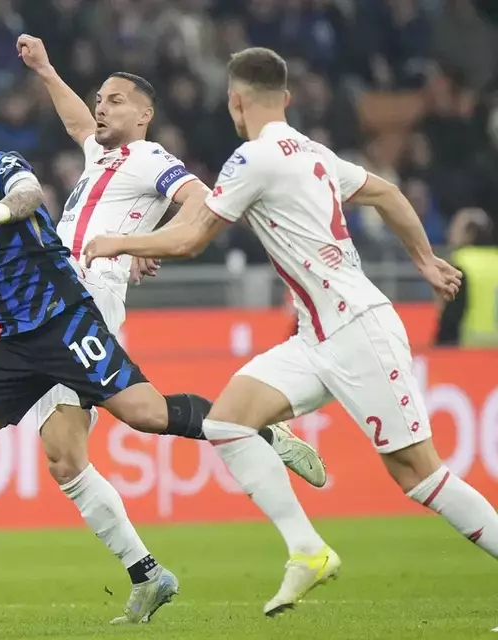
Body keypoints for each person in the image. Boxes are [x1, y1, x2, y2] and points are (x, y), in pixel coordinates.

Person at [0, 38, 327, 623]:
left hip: (82, 304)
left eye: (115, 100)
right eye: (99, 100)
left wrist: (145, 244)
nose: (101, 108)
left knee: (135, 418)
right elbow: (24, 245)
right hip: (32, 322)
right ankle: (133, 573)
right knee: (34, 451)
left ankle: (250, 430)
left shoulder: (144, 157)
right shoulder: (97, 158)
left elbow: (190, 201)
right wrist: (43, 68)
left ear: (144, 114)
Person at [83, 46, 498, 616]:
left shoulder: (250, 159)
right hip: (316, 336)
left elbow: (191, 238)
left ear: (235, 101)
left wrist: (120, 242)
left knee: (419, 475)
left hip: (357, 329)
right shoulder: (313, 151)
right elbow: (387, 192)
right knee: (226, 420)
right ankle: (306, 550)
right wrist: (422, 258)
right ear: (288, 97)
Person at [435, 207, 498, 347]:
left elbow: (453, 313)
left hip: (471, 351)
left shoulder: (461, 262)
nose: (449, 235)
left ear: (470, 233)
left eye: (455, 229)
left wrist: (441, 345)